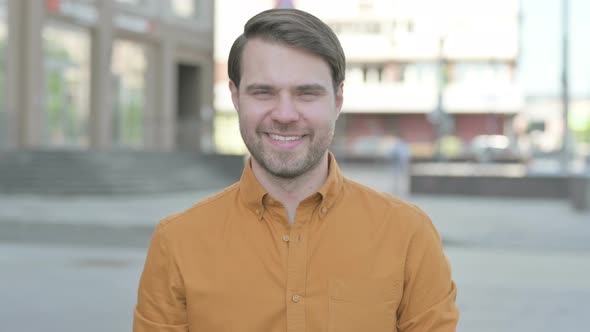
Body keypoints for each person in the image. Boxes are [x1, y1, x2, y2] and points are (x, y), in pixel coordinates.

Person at [134, 8, 459, 332]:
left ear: (338, 99)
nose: (285, 114)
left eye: (306, 93)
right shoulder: (177, 242)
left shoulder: (408, 235)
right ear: (235, 97)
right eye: (264, 92)